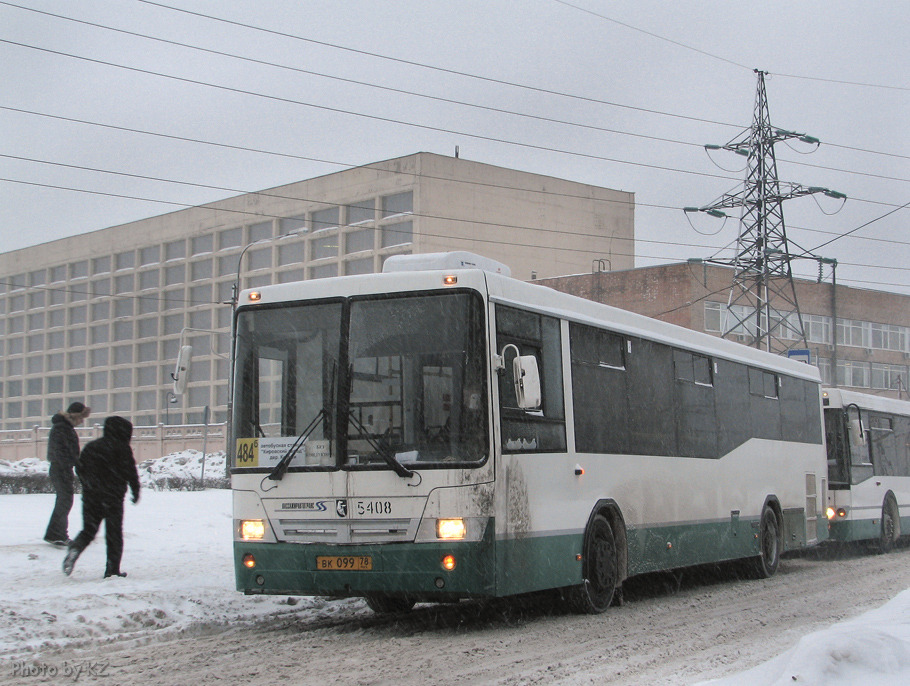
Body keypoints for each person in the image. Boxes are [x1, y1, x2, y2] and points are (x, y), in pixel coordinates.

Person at [63, 416, 140, 578]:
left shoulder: (92, 447)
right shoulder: (122, 448)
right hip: (113, 499)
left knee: (88, 530)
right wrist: (135, 490)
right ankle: (112, 570)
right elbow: (130, 471)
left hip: (91, 497)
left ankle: (76, 548)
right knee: (114, 535)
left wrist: (89, 485)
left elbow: (80, 468)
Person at [43, 401, 91, 546]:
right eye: (81, 417)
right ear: (75, 416)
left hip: (63, 468)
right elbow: (64, 452)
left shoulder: (65, 428)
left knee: (64, 501)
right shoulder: (62, 428)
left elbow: (70, 452)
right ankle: (57, 535)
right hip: (60, 469)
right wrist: (74, 464)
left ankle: (55, 533)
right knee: (64, 501)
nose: (82, 421)